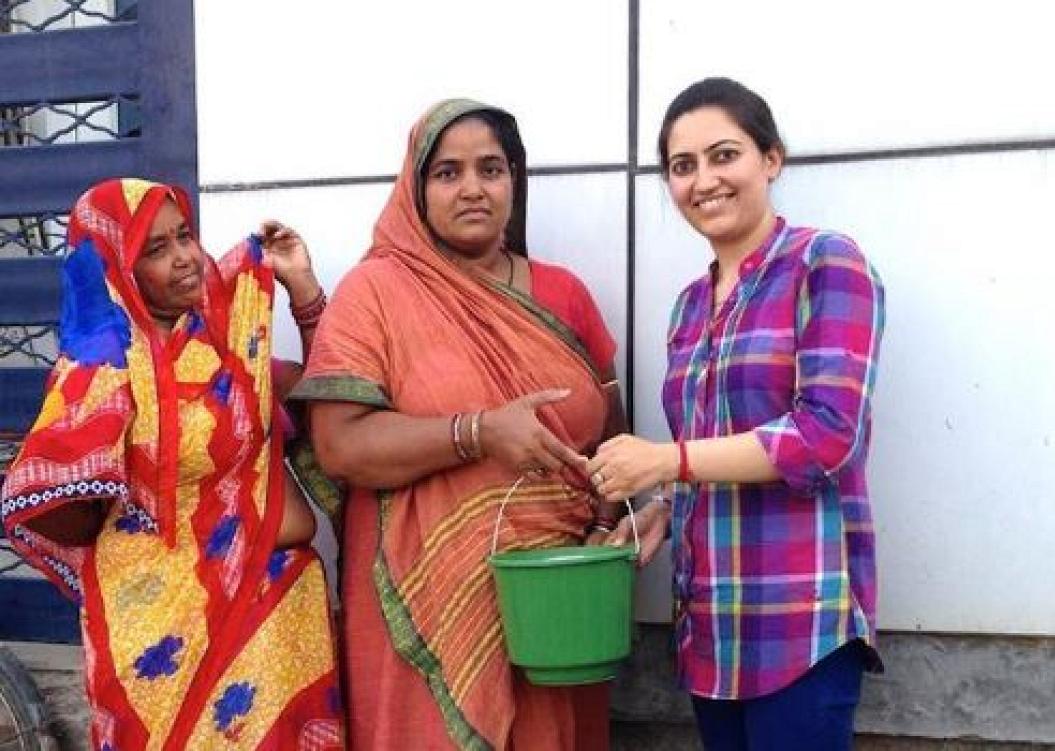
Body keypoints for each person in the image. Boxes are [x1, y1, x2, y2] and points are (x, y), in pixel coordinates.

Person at [290, 99, 625, 750]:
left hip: (559, 600)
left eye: (490, 169)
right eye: (448, 172)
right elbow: (339, 445)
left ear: (513, 180)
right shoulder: (374, 293)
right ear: (415, 189)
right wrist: (477, 432)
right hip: (430, 598)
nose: (473, 188)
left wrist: (606, 526)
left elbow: (610, 432)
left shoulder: (564, 293)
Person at [588, 78, 885, 749]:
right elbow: (708, 446)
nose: (704, 180)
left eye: (724, 155)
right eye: (682, 165)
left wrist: (666, 460)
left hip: (799, 620)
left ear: (771, 159)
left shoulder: (825, 262)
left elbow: (826, 436)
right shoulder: (689, 307)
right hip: (711, 628)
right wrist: (666, 505)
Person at [0, 179, 343, 750]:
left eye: (184, 235)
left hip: (277, 620)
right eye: (156, 249)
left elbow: (330, 400)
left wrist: (303, 289)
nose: (185, 257)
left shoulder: (224, 344)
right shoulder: (102, 368)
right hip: (164, 635)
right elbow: (51, 499)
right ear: (118, 267)